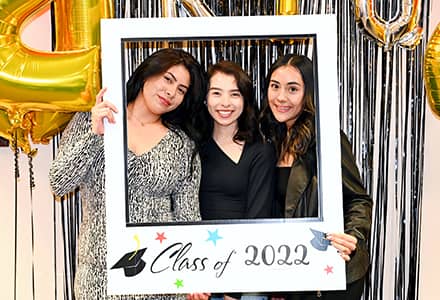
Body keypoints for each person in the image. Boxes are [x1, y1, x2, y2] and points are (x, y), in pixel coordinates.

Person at [49, 48, 206, 300]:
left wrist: (194, 275)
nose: (171, 93)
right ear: (147, 72)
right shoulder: (94, 118)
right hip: (100, 275)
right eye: (168, 79)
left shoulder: (183, 144)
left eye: (181, 90)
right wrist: (95, 135)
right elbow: (59, 182)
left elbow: (188, 215)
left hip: (160, 275)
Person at [259, 54, 372, 300]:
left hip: (331, 272)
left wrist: (353, 236)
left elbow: (358, 199)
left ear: (308, 93)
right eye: (275, 86)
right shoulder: (271, 139)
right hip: (294, 271)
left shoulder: (326, 137)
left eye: (292, 89)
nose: (280, 97)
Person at [189, 61, 276, 300]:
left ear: (245, 100)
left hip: (246, 277)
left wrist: (234, 289)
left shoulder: (261, 152)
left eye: (234, 94)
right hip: (197, 273)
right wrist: (190, 276)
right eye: (216, 93)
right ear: (205, 98)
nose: (225, 103)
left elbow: (258, 220)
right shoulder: (191, 148)